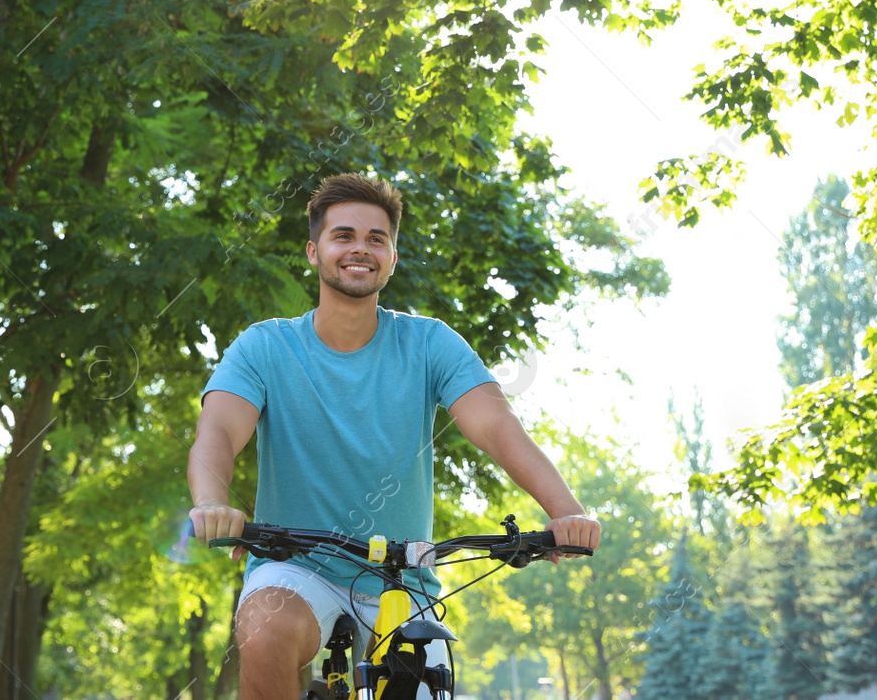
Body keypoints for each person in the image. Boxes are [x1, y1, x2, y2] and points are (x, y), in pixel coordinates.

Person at [187, 173, 602, 700]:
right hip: (295, 570)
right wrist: (211, 503)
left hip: (405, 580)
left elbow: (497, 427)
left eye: (376, 238)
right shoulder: (264, 348)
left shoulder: (430, 344)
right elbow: (218, 430)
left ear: (392, 257)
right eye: (344, 236)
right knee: (264, 629)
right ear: (314, 252)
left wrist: (566, 510)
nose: (359, 249)